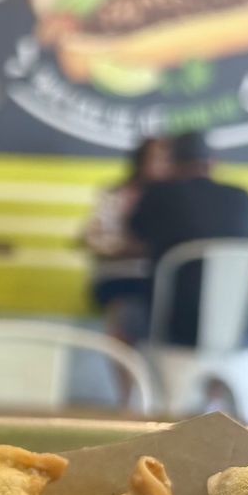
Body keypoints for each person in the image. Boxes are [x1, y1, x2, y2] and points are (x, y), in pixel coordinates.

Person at [125, 130, 248, 348]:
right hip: (243, 325)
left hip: (174, 324)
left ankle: (137, 382)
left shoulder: (158, 194)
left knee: (124, 313)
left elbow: (134, 235)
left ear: (172, 162)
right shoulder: (242, 196)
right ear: (213, 161)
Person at [87, 137, 170, 344]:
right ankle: (130, 371)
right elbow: (94, 238)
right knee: (126, 313)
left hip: (165, 279)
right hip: (124, 277)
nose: (160, 165)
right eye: (155, 158)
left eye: (166, 159)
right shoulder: (117, 194)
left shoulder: (180, 198)